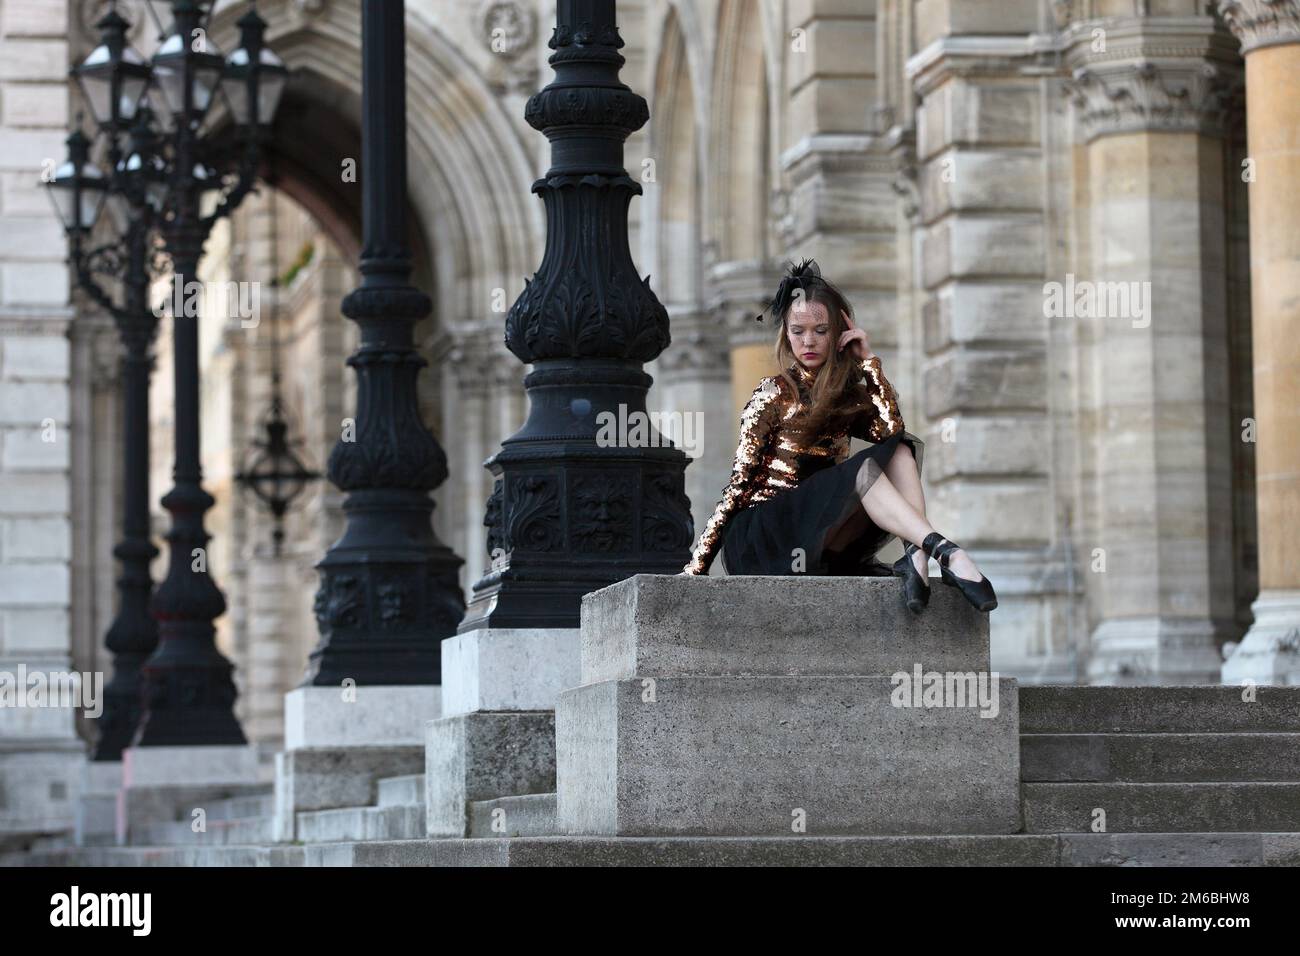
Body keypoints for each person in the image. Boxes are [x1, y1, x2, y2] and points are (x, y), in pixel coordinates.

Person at [681, 259, 997, 613]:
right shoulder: (772, 394)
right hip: (765, 537)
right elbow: (738, 485)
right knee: (863, 472)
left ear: (839, 334)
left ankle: (917, 556)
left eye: (820, 330)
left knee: (900, 450)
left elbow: (890, 434)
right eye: (798, 331)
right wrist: (697, 566)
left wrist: (869, 363)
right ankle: (948, 553)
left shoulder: (847, 395)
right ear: (785, 334)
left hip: (819, 531)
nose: (809, 341)